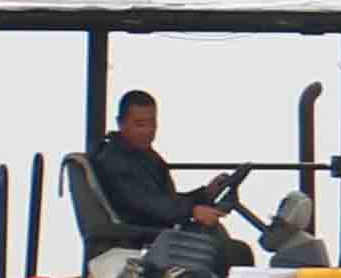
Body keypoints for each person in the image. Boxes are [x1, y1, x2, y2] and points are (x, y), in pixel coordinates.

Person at [83, 90, 250, 260]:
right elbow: (145, 204)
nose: (148, 131)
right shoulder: (114, 160)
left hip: (164, 233)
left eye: (152, 124)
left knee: (229, 245)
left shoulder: (147, 157)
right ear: (120, 123)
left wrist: (204, 194)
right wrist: (192, 210)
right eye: (140, 124)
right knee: (236, 253)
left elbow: (166, 200)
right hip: (147, 238)